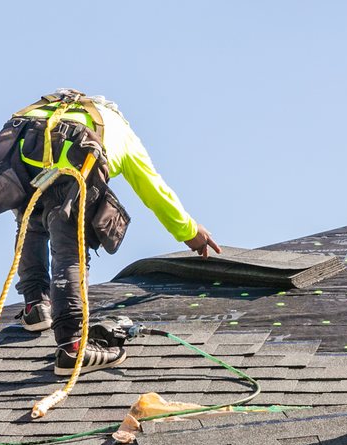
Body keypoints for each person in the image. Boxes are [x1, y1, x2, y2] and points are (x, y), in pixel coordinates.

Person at [11, 90, 220, 375]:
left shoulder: (49, 109)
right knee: (70, 246)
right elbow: (154, 192)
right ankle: (72, 347)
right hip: (75, 160)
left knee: (30, 218)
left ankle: (36, 306)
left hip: (22, 148)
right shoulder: (120, 132)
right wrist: (190, 231)